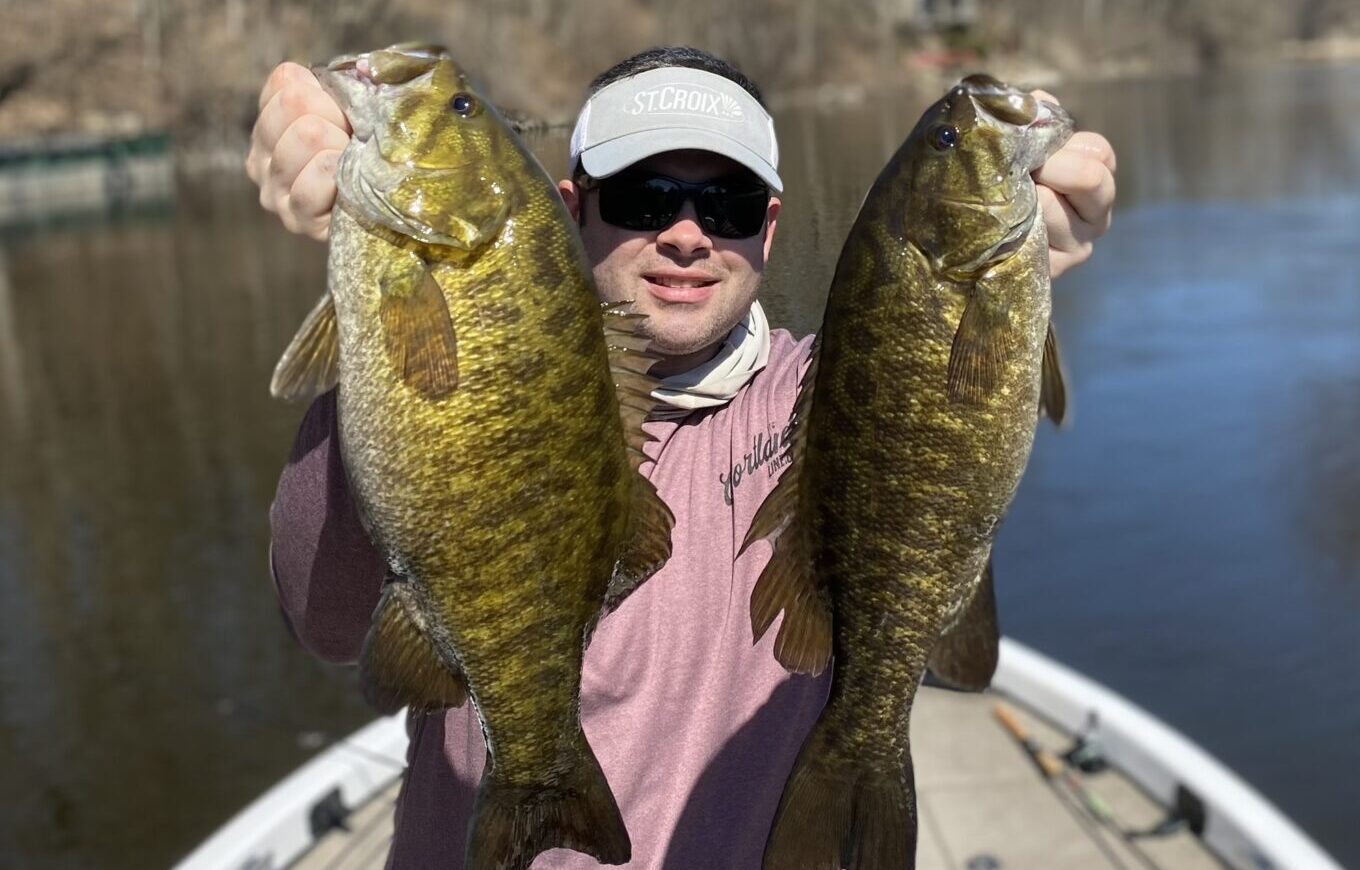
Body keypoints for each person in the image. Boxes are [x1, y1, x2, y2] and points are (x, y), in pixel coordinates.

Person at [250, 46, 1116, 869]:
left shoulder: (830, 396)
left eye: (729, 206)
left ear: (767, 232)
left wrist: (1017, 265)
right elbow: (325, 621)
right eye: (645, 196)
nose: (689, 234)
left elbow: (922, 395)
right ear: (572, 208)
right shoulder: (469, 384)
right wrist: (378, 322)